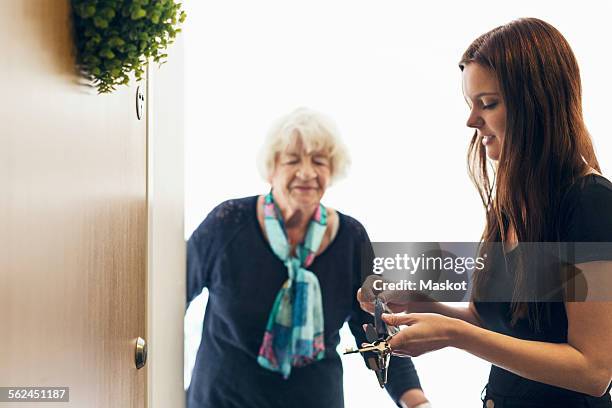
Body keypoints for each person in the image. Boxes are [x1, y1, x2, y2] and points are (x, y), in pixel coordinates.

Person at [358, 18, 612, 407]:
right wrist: (420, 303)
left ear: (537, 104)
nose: (471, 120)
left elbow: (593, 370)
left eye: (487, 103)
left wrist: (454, 336)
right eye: (470, 104)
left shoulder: (590, 203)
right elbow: (490, 320)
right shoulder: (511, 205)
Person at [186, 108, 429, 408]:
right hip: (222, 400)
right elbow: (168, 302)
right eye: (292, 160)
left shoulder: (351, 237)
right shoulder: (228, 223)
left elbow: (378, 333)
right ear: (271, 167)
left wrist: (417, 402)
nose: (306, 173)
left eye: (318, 161)